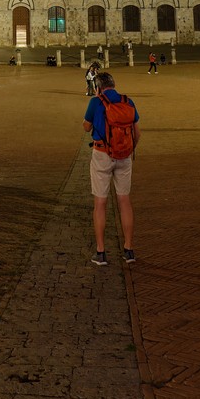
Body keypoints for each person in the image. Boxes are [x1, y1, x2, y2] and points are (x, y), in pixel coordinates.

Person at [84, 71, 138, 265]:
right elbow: (137, 132)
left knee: (100, 203)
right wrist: (128, 149)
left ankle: (101, 252)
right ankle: (129, 250)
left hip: (102, 155)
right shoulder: (128, 102)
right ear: (114, 85)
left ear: (98, 88)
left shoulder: (95, 102)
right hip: (124, 156)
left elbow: (86, 127)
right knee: (124, 201)